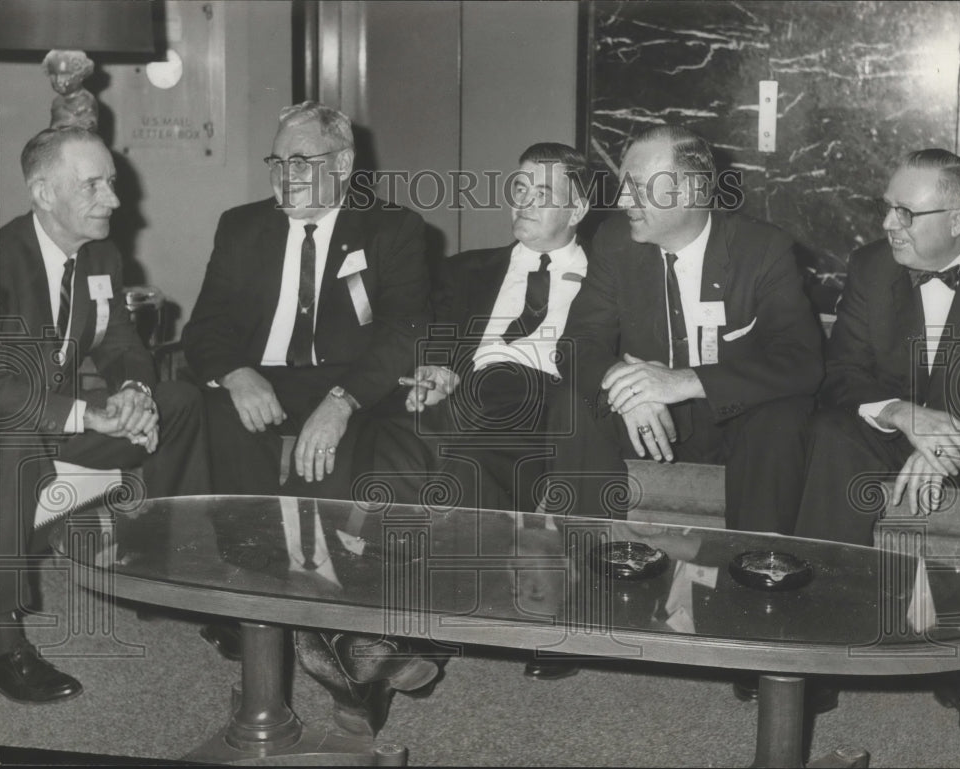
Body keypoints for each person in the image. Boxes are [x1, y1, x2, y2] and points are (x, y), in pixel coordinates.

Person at [547, 124, 829, 706]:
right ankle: (585, 598)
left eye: (639, 186)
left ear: (695, 192)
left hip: (736, 421)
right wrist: (628, 389)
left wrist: (683, 382)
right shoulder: (615, 244)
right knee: (571, 399)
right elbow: (577, 345)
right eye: (623, 183)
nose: (623, 199)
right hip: (646, 419)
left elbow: (802, 363)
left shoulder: (763, 249)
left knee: (781, 419)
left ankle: (755, 622)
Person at [181, 101, 436, 735]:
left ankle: (344, 648)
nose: (283, 176)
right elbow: (205, 329)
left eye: (302, 161)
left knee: (347, 465)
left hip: (349, 383)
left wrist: (342, 401)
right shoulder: (241, 227)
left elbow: (405, 332)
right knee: (221, 428)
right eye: (277, 161)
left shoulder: (394, 230)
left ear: (343, 164)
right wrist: (236, 374)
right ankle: (264, 625)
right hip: (260, 381)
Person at [0, 126, 210, 704]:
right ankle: (5, 641)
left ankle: (174, 574)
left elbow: (118, 337)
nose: (113, 200)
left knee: (183, 402)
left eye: (111, 183)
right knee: (13, 439)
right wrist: (87, 416)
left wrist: (136, 391)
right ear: (43, 193)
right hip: (10, 435)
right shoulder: (0, 260)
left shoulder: (100, 255)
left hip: (56, 431)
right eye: (93, 186)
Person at [794, 148, 960, 739]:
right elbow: (842, 375)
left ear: (957, 220)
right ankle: (819, 640)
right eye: (887, 208)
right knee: (832, 433)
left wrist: (949, 440)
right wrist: (907, 416)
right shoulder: (871, 266)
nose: (888, 224)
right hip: (903, 428)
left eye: (906, 213)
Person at [389, 142, 591, 681]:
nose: (524, 201)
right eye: (520, 189)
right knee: (397, 428)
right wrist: (437, 370)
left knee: (497, 400)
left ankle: (422, 634)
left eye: (543, 193)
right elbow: (436, 341)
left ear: (578, 210)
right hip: (467, 395)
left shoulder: (609, 277)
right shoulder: (466, 270)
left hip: (551, 396)